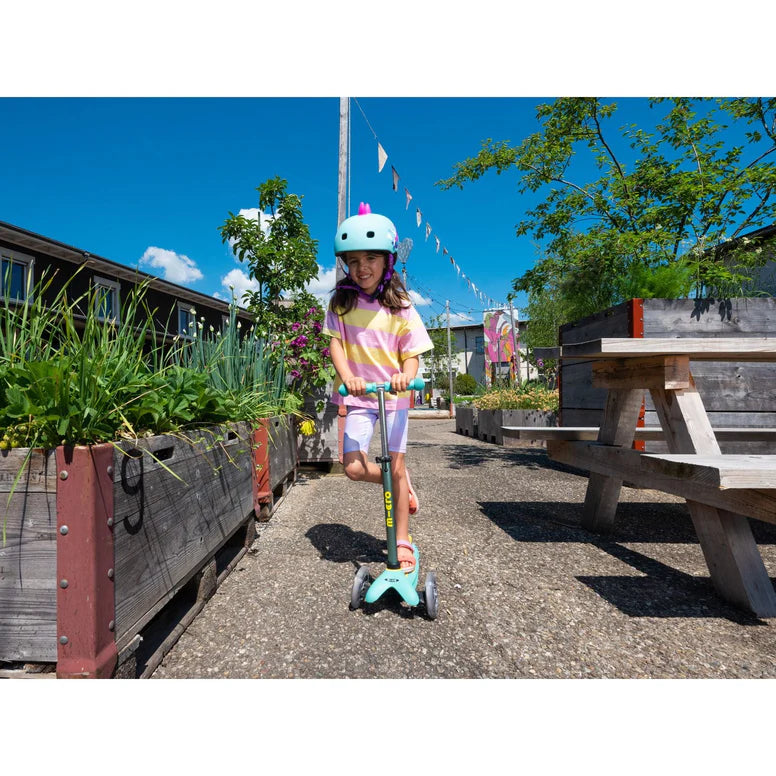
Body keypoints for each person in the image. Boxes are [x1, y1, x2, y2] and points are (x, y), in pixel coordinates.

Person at [323, 202, 433, 572]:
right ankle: (401, 481)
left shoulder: (400, 304)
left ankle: (402, 540)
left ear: (387, 260)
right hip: (359, 398)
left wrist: (407, 373)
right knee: (353, 468)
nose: (362, 267)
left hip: (395, 399)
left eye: (371, 257)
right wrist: (347, 377)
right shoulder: (341, 302)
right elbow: (336, 344)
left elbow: (412, 350)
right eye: (353, 261)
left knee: (395, 467)